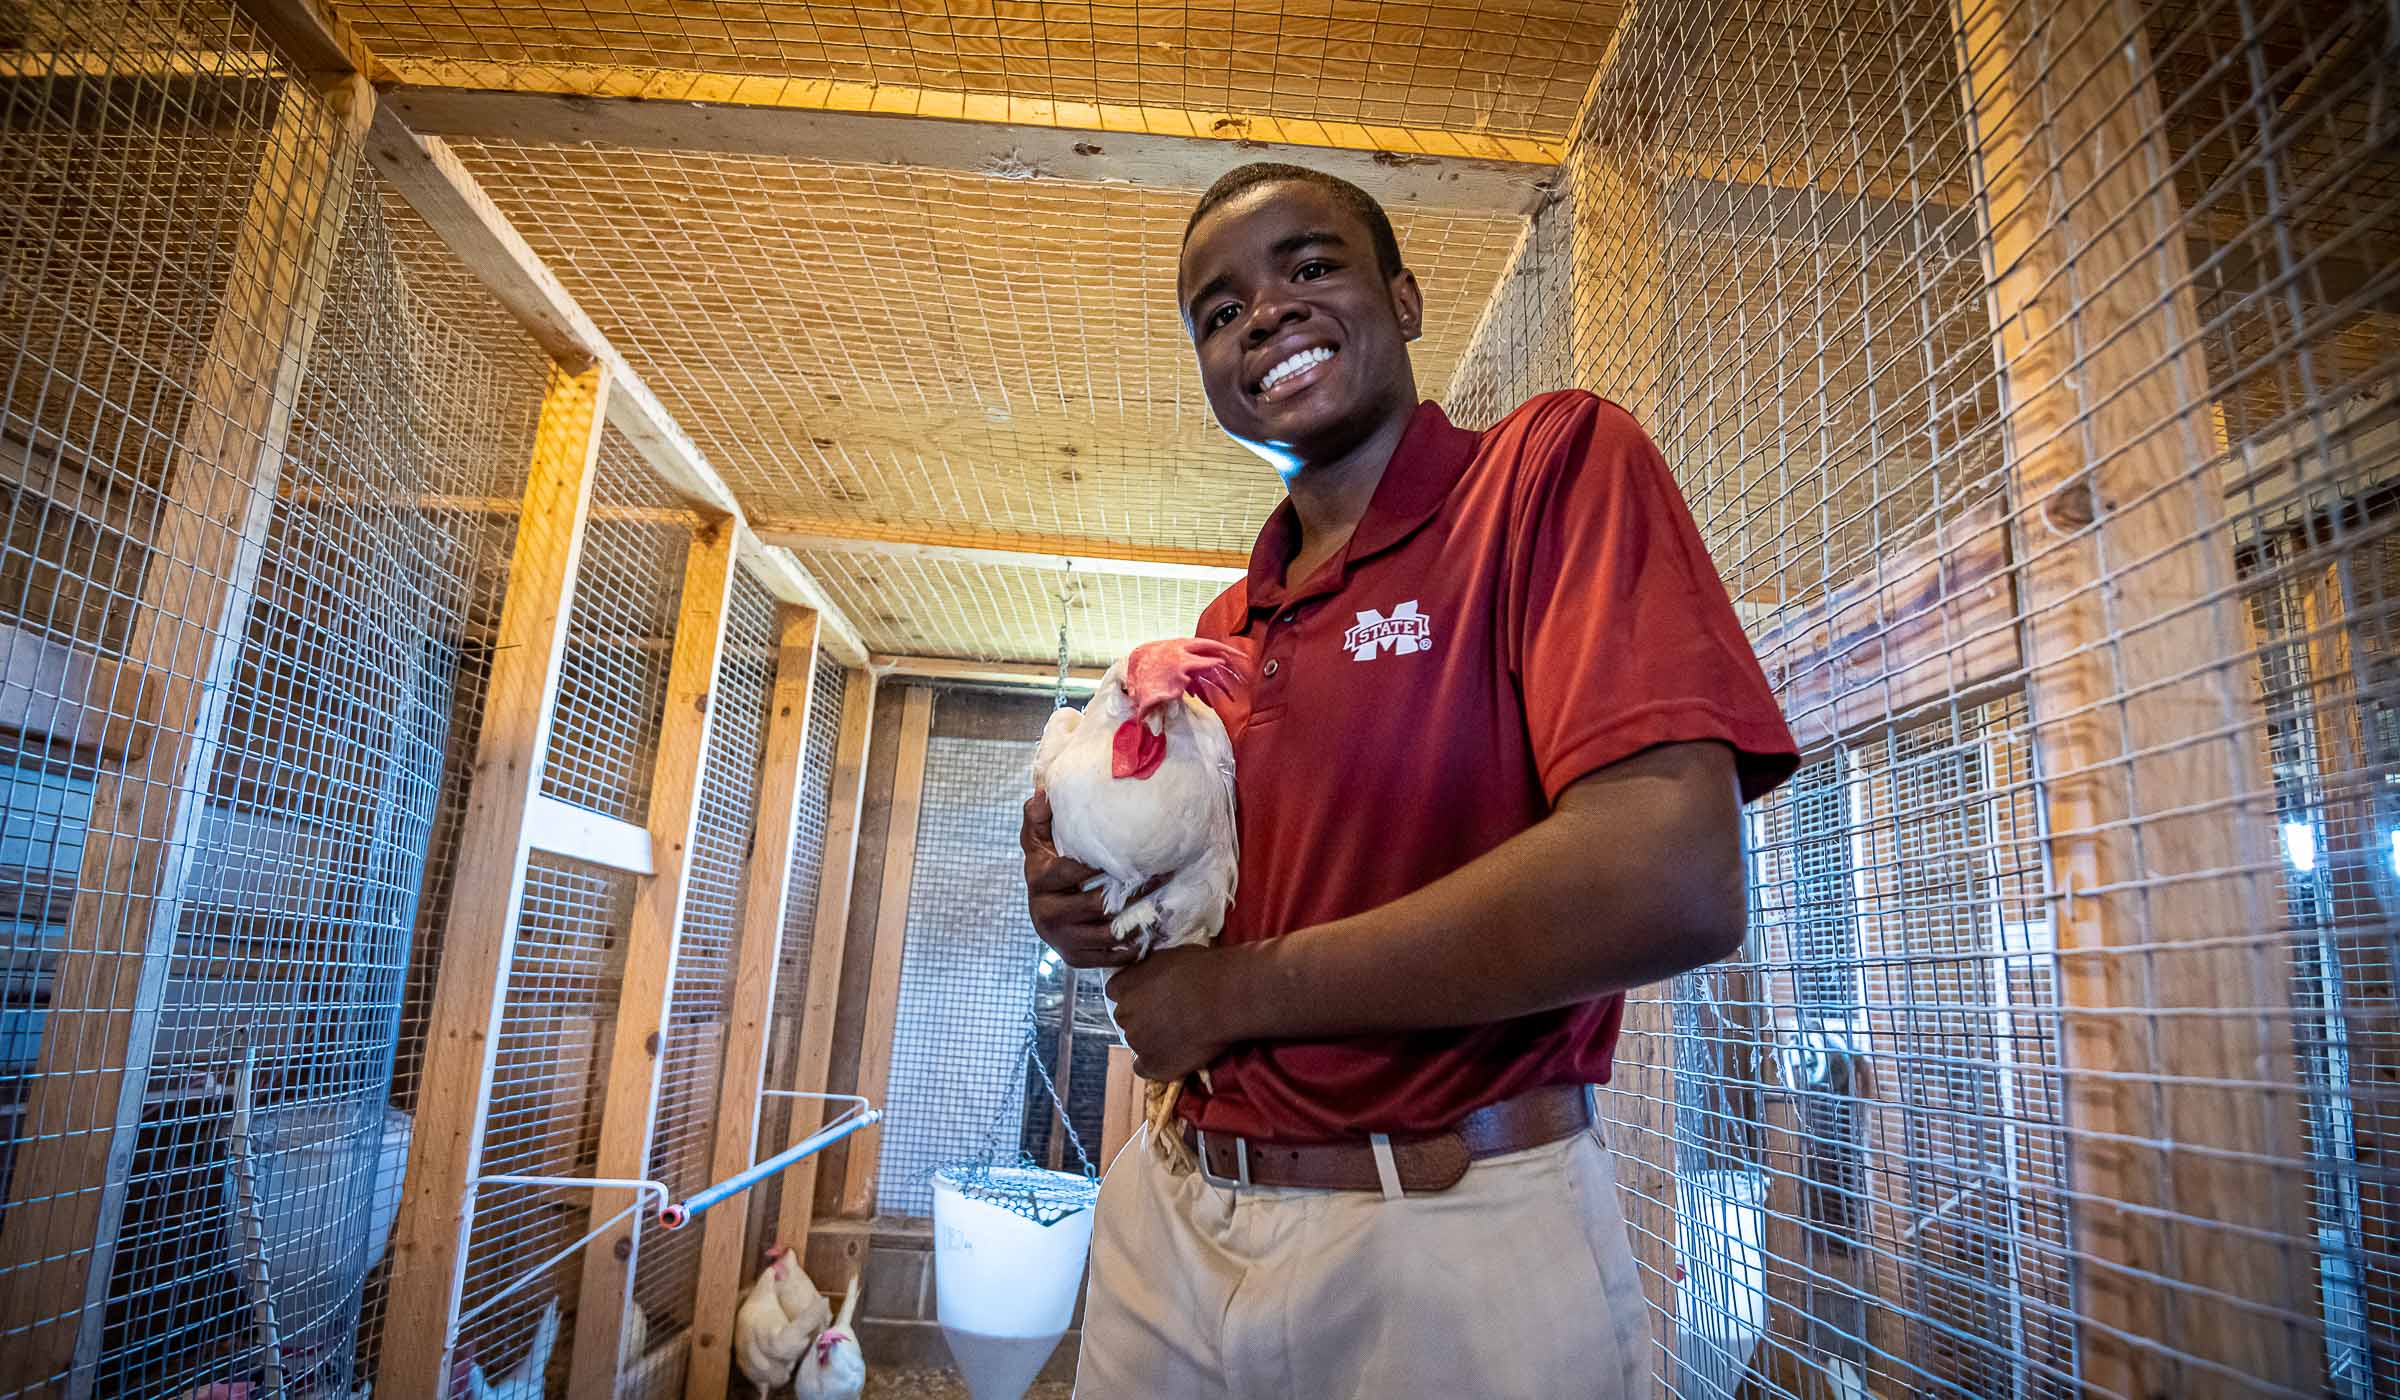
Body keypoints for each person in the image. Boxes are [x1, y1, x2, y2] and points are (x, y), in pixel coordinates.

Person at [1020, 162, 1799, 1398]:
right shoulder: (1228, 625)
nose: (1263, 313)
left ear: (1408, 295)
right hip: (1170, 1212)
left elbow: (1672, 877)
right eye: (1218, 313)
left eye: (1310, 266)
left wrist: (1233, 993)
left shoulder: (1546, 472)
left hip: (1442, 1240)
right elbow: (1204, 918)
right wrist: (1090, 901)